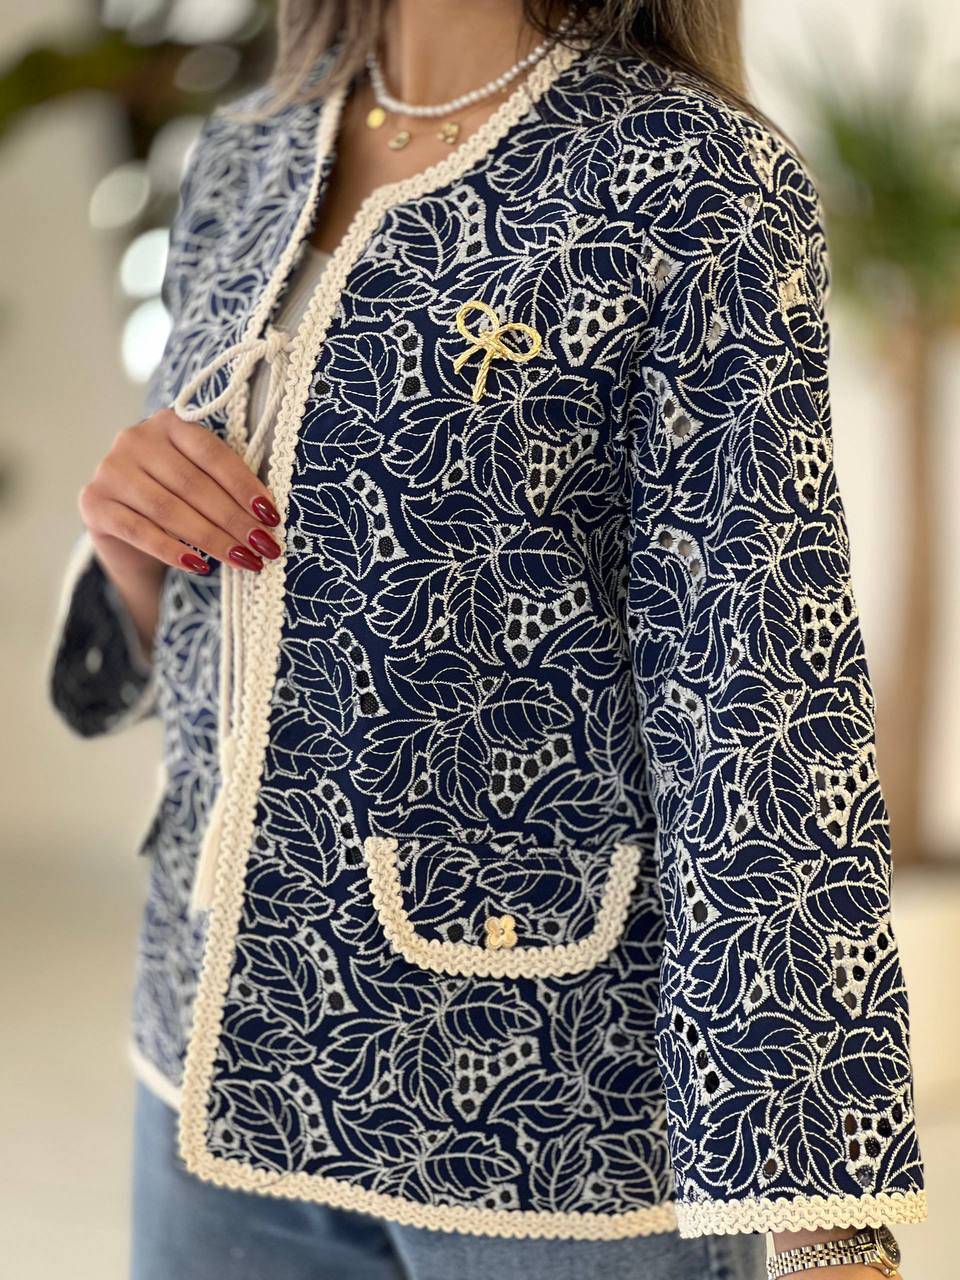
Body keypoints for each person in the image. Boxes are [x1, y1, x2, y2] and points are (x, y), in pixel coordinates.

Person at [46, 2, 926, 1278]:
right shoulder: (245, 152)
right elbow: (200, 618)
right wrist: (133, 549)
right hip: (210, 1074)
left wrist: (825, 1224)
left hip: (547, 1129)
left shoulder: (693, 181)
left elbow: (758, 706)